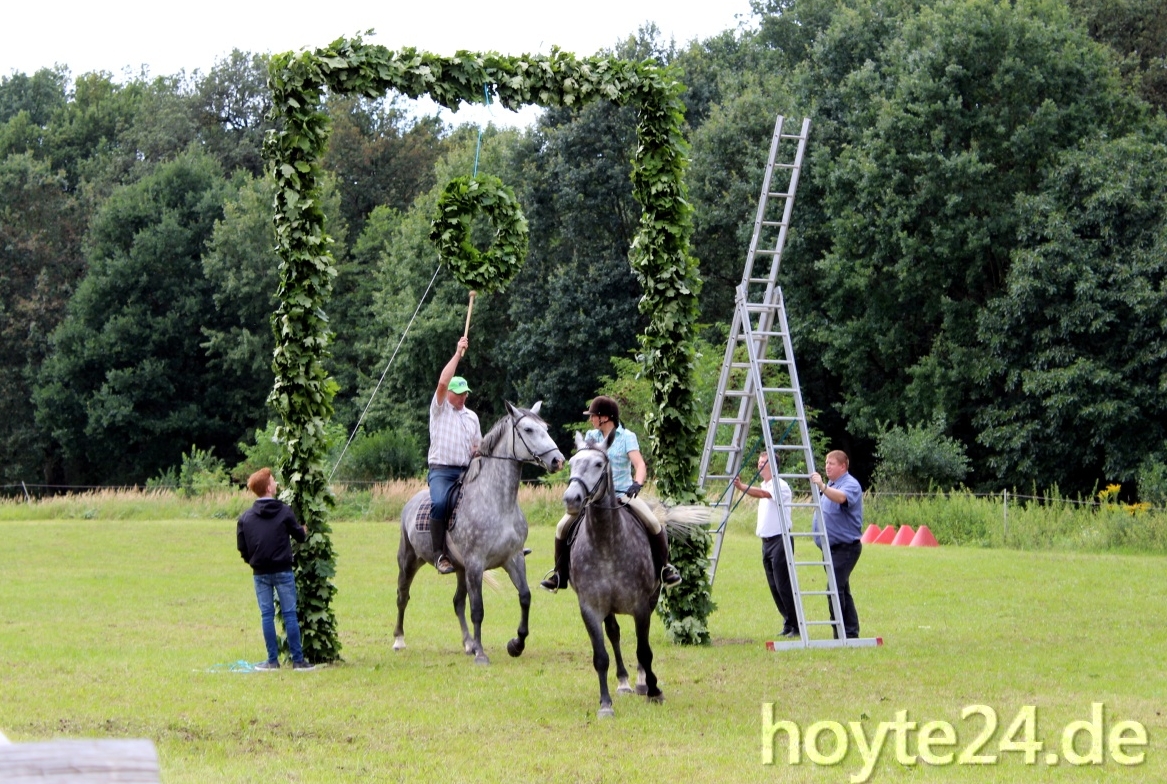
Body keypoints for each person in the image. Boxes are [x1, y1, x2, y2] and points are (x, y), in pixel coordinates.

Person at [541, 395, 681, 592]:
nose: (591, 419)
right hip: (593, 498)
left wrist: (637, 484)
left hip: (624, 495)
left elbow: (639, 464)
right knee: (562, 527)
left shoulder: (626, 437)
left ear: (605, 417)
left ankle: (664, 570)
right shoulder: (591, 436)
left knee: (653, 522)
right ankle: (559, 574)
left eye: (593, 416)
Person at [236, 467, 315, 671]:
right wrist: (303, 529)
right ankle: (298, 661)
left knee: (266, 615)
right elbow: (300, 537)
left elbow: (242, 547)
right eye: (273, 480)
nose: (276, 483)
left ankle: (272, 661)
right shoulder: (284, 511)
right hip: (283, 570)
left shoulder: (245, 518)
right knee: (290, 614)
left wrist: (252, 560)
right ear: (269, 488)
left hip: (260, 573)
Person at [427, 335, 482, 575]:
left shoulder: (471, 417)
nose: (463, 396)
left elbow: (475, 448)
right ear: (449, 393)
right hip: (442, 471)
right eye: (459, 393)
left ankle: (502, 546)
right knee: (439, 503)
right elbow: (441, 382)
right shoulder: (439, 409)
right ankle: (440, 555)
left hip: (466, 472)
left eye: (465, 393)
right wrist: (458, 353)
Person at [733, 452, 797, 638]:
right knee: (773, 585)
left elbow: (763, 495)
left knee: (783, 584)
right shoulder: (765, 483)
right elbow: (762, 491)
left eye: (764, 463)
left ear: (774, 466)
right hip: (767, 541)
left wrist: (741, 487)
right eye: (759, 462)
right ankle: (787, 621)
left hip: (780, 540)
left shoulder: (780, 485)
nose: (759, 466)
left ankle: (796, 624)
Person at [810, 450, 864, 639]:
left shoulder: (850, 484)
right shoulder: (831, 485)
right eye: (826, 463)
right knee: (842, 590)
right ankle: (850, 632)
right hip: (830, 548)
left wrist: (822, 487)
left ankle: (840, 634)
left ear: (843, 466)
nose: (827, 466)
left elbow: (841, 498)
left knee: (833, 589)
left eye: (831, 463)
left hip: (846, 548)